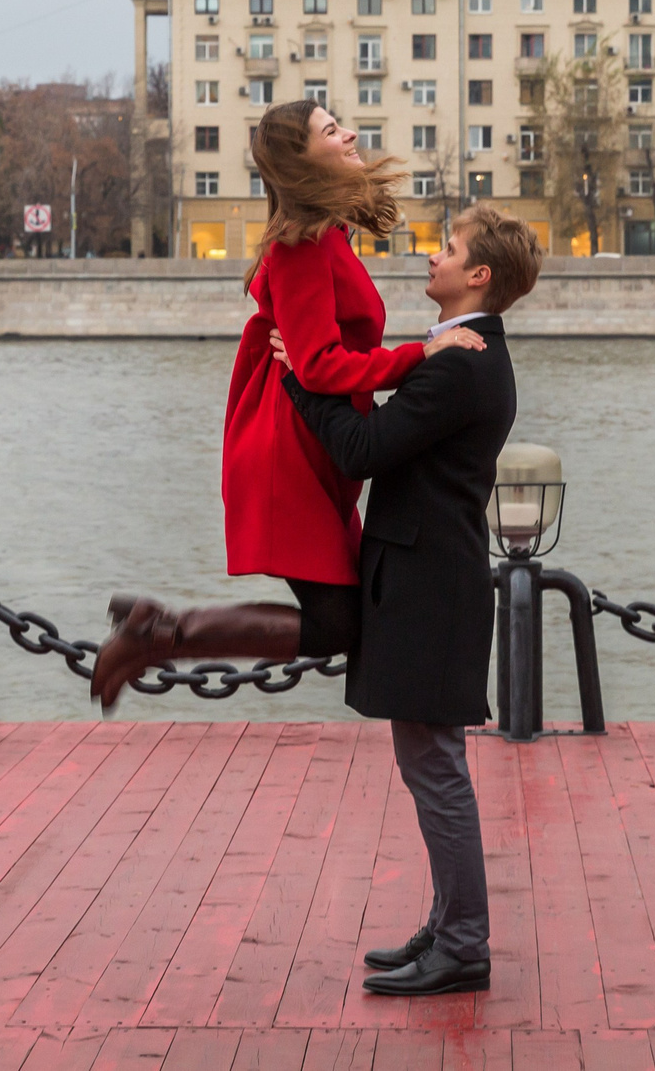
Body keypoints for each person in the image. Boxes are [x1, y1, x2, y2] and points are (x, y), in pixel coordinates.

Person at [89, 100, 486, 708]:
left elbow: (320, 361)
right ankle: (159, 633)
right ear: (301, 159)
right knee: (337, 624)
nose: (350, 133)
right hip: (288, 449)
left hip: (310, 444)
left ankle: (157, 629)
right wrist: (420, 356)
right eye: (332, 130)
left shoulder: (327, 235)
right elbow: (320, 366)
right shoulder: (303, 246)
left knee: (345, 620)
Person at [277, 204, 543, 998]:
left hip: (430, 589)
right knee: (429, 763)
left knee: (437, 768)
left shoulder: (460, 363)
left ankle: (463, 942)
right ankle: (448, 922)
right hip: (429, 579)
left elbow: (362, 449)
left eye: (449, 248)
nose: (433, 254)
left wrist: (300, 374)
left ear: (479, 275)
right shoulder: (461, 355)